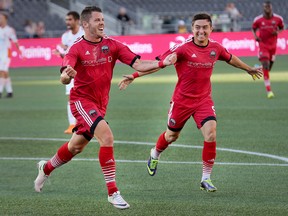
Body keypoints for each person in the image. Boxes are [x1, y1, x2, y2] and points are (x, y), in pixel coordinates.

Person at [34, 6, 176, 210]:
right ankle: (113, 192)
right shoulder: (75, 48)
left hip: (100, 105)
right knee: (107, 136)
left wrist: (163, 63)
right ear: (85, 24)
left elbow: (138, 64)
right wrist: (66, 76)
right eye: (97, 20)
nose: (102, 23)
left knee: (75, 147)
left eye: (102, 19)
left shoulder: (113, 44)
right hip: (82, 102)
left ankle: (45, 168)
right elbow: (65, 75)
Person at [119, 13, 262, 192]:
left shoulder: (216, 48)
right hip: (182, 102)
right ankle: (155, 153)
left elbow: (230, 58)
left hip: (203, 100)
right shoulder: (181, 49)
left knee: (211, 133)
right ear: (192, 29)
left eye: (205, 27)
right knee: (172, 136)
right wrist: (134, 75)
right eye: (197, 27)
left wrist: (248, 69)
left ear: (211, 29)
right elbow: (157, 64)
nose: (201, 31)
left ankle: (206, 178)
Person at [53, 11, 84, 134]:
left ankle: (84, 122)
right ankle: (72, 125)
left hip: (84, 70)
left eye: (70, 19)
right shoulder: (65, 36)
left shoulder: (85, 33)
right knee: (70, 97)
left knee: (86, 97)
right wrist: (61, 54)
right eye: (66, 20)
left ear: (77, 20)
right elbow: (67, 56)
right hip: (70, 70)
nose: (67, 22)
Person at [252, 1, 284, 99]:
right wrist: (255, 36)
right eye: (265, 7)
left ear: (271, 8)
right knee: (266, 65)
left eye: (268, 7)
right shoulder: (258, 20)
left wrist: (277, 31)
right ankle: (269, 91)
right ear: (263, 8)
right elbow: (253, 28)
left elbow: (282, 27)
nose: (267, 9)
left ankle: (256, 69)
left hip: (273, 47)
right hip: (263, 45)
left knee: (268, 68)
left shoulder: (278, 19)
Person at [0, 11, 21, 98]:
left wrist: (20, 52)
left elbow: (15, 41)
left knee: (2, 71)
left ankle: (0, 92)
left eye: (1, 17)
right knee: (5, 73)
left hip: (6, 53)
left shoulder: (10, 30)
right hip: (0, 54)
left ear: (5, 19)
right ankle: (10, 92)